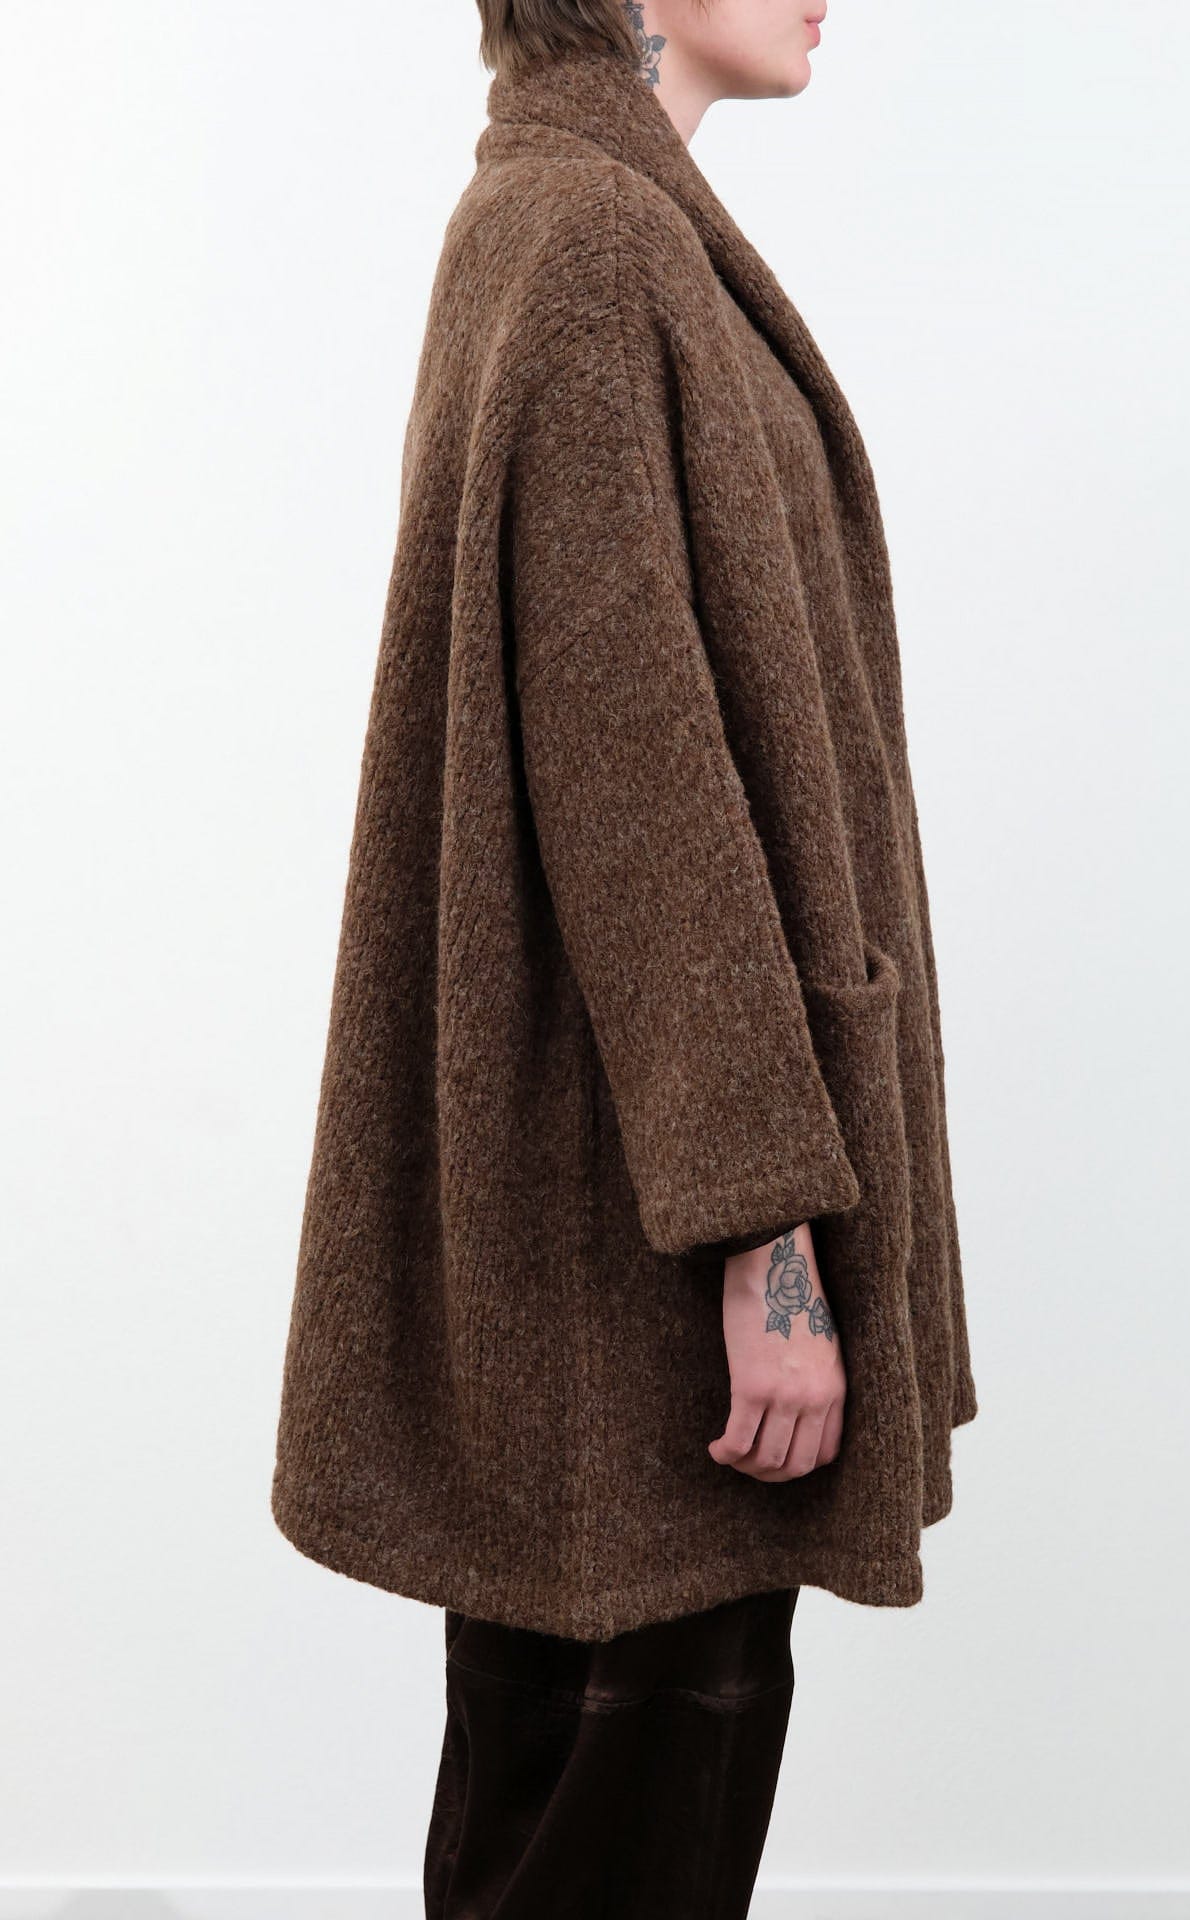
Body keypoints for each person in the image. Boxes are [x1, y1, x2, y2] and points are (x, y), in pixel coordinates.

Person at [271, 2, 979, 1913]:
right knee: (628, 1804)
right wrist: (766, 1238)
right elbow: (633, 772)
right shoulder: (587, 239)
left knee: (562, 1791)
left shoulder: (587, 217)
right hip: (640, 1241)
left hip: (613, 1203)